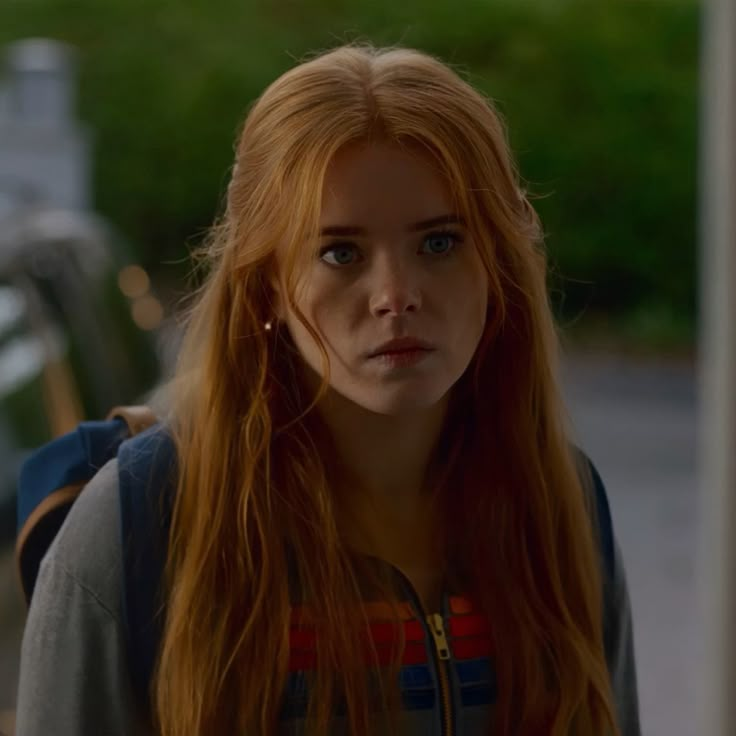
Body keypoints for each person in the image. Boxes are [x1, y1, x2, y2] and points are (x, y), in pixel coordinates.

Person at [15, 44, 640, 735]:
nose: (395, 296)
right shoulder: (144, 525)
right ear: (268, 288)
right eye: (341, 253)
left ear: (498, 266)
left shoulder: (560, 504)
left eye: (439, 243)